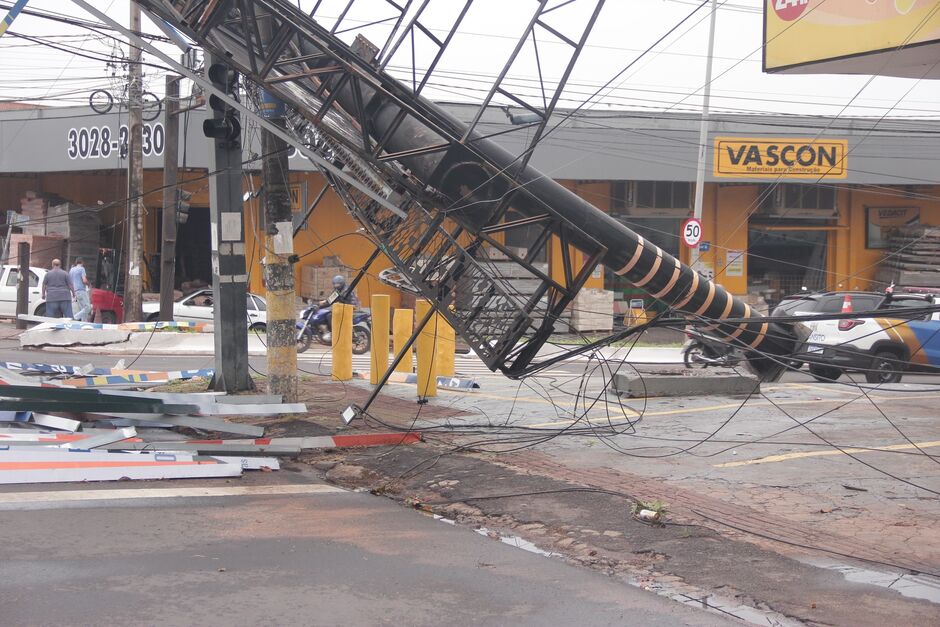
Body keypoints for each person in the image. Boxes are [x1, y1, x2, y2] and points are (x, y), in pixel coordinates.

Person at [319, 274, 359, 340]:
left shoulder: (345, 290)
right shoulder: (338, 290)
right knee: (328, 314)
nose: (336, 286)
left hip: (349, 308)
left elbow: (333, 299)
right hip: (343, 307)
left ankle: (335, 333)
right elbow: (331, 299)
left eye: (338, 284)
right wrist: (322, 303)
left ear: (342, 283)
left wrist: (324, 303)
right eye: (335, 284)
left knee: (329, 316)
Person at [69, 257, 91, 321]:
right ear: (82, 262)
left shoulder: (72, 270)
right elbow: (84, 280)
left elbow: (70, 281)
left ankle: (84, 323)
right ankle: (74, 317)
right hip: (81, 290)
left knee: (82, 309)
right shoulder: (82, 269)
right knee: (88, 308)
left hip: (75, 291)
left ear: (76, 262)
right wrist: (89, 284)